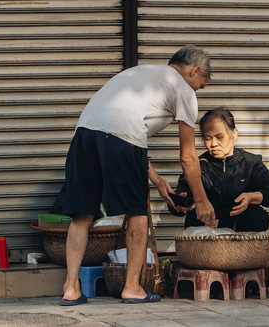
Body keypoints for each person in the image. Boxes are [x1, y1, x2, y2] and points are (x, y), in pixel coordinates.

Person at [60, 45, 216, 306]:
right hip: (121, 135)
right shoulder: (183, 89)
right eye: (200, 85)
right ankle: (132, 287)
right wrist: (201, 200)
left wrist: (158, 182)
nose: (196, 90)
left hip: (85, 132)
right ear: (195, 70)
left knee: (82, 213)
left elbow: (121, 131)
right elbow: (188, 156)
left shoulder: (142, 73)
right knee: (137, 212)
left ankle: (71, 287)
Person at [170, 107, 269, 232]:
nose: (213, 144)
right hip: (210, 224)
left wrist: (251, 197)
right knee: (193, 219)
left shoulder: (250, 162)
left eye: (219, 137)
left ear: (234, 134)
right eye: (207, 138)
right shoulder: (198, 165)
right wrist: (180, 203)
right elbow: (183, 192)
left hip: (242, 225)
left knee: (257, 216)